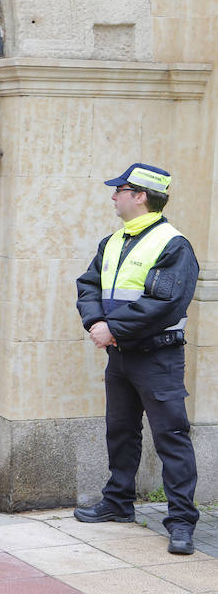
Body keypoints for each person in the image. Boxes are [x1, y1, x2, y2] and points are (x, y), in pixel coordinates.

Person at [75, 163, 199, 555]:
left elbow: (165, 303)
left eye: (120, 190)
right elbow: (88, 284)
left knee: (172, 438)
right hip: (121, 356)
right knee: (120, 431)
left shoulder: (172, 243)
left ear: (140, 195)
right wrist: (96, 321)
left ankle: (181, 523)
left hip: (158, 357)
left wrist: (113, 328)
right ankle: (118, 502)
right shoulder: (112, 241)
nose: (113, 196)